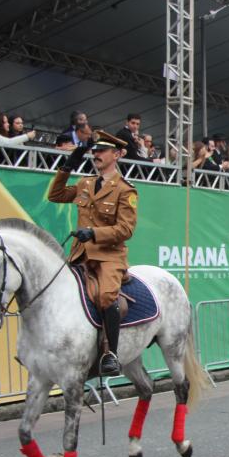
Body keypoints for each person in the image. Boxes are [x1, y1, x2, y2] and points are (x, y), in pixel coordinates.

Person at [48, 131, 138, 377]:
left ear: (116, 155)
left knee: (107, 298)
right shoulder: (85, 183)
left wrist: (94, 233)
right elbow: (54, 195)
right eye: (94, 150)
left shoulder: (125, 191)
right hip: (79, 254)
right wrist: (70, 162)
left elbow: (125, 229)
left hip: (109, 256)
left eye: (102, 151)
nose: (96, 154)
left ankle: (111, 355)